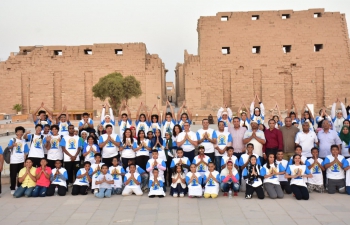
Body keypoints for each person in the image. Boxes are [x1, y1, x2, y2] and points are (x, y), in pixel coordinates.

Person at [8, 126, 30, 195]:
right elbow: (9, 147)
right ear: (16, 133)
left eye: (21, 132)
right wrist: (13, 146)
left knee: (21, 175)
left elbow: (26, 152)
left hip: (21, 161)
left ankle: (19, 187)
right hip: (14, 161)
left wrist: (24, 162)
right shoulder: (13, 139)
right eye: (18, 132)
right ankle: (12, 188)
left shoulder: (23, 141)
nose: (20, 133)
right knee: (13, 175)